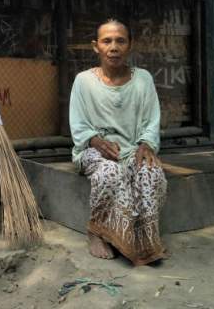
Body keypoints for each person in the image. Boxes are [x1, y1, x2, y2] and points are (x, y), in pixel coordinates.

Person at [69, 18, 167, 266]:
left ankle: (144, 238)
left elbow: (152, 120)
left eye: (120, 41)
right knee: (109, 173)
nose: (114, 47)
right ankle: (97, 232)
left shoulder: (143, 79)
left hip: (132, 149)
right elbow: (78, 124)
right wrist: (95, 141)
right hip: (93, 153)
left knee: (152, 173)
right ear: (96, 47)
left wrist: (146, 144)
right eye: (107, 41)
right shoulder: (83, 81)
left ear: (130, 45)